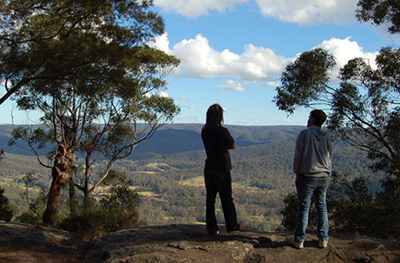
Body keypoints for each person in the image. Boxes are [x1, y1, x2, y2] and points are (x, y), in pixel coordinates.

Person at [286, 109, 332, 249]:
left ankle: (299, 239)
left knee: (304, 208)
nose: (308, 119)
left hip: (307, 175)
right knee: (322, 206)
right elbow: (329, 155)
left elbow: (298, 155)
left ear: (312, 119)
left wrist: (297, 172)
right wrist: (328, 172)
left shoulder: (304, 134)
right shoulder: (326, 135)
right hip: (324, 175)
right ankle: (323, 238)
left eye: (309, 117)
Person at [201, 103, 248, 235]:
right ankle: (232, 226)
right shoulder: (223, 131)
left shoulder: (204, 131)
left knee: (210, 199)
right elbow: (233, 145)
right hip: (222, 168)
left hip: (209, 168)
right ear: (219, 116)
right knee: (226, 198)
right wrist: (223, 146)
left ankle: (212, 228)